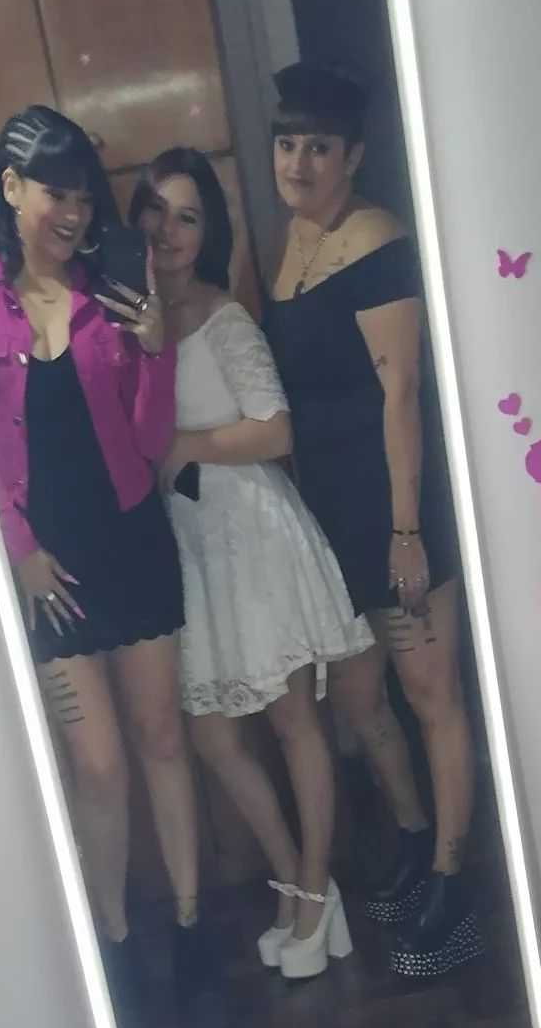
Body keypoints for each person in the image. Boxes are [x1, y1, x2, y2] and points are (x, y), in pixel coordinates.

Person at [0, 106, 226, 1028]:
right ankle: (114, 947)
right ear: (11, 187)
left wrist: (155, 350)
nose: (73, 214)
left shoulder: (112, 286)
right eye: (55, 194)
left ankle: (191, 933)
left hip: (131, 545)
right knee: (97, 767)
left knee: (162, 742)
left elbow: (146, 442)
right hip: (47, 570)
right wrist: (17, 547)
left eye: (85, 198)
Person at [129, 147, 374, 980]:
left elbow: (276, 429)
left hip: (253, 534)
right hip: (189, 548)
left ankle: (312, 890)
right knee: (212, 735)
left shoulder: (223, 317)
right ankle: (302, 882)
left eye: (188, 216)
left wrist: (185, 444)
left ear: (209, 232)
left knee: (294, 722)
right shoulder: (129, 320)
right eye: (157, 211)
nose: (168, 230)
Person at [263, 63, 485, 979]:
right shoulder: (288, 242)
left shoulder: (378, 241)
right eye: (287, 143)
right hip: (327, 510)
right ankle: (413, 834)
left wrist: (406, 532)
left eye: (318, 147)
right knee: (359, 699)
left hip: (396, 505)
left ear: (353, 155)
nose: (298, 162)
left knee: (431, 696)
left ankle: (453, 885)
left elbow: (402, 397)